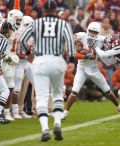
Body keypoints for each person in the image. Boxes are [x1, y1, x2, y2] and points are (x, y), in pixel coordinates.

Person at [19, 0, 75, 142]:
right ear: (56, 11)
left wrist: (27, 53)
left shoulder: (36, 23)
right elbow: (70, 44)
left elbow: (22, 40)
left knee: (42, 96)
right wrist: (71, 61)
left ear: (43, 10)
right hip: (57, 60)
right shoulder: (63, 24)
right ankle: (57, 124)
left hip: (40, 60)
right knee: (56, 94)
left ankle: (44, 129)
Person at [62, 22, 120, 120]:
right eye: (91, 31)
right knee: (75, 90)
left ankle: (119, 107)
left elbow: (115, 39)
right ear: (88, 29)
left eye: (95, 32)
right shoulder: (81, 36)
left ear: (98, 32)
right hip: (81, 68)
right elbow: (72, 52)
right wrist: (83, 54)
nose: (93, 33)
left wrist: (114, 38)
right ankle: (65, 112)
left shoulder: (101, 38)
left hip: (94, 68)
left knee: (107, 90)